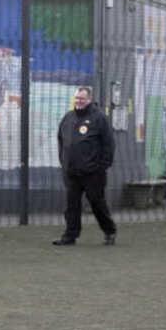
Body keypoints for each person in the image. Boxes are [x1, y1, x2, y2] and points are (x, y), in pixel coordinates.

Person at [53, 86, 116, 246]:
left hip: (93, 172)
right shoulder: (68, 118)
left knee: (97, 203)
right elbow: (61, 140)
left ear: (89, 99)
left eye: (82, 98)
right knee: (71, 205)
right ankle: (70, 235)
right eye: (77, 98)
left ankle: (109, 231)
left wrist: (102, 165)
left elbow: (108, 143)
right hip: (71, 171)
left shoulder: (99, 118)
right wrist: (64, 162)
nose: (79, 101)